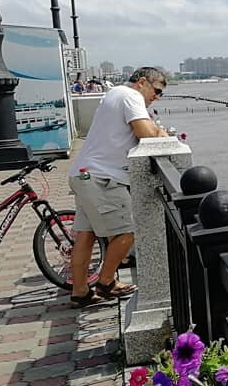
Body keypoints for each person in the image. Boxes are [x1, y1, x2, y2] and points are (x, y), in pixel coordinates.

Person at [68, 67, 170, 305]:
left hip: (84, 174)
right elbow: (146, 133)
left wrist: (156, 129)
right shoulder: (130, 96)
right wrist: (161, 133)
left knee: (86, 235)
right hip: (102, 178)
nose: (157, 97)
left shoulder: (114, 95)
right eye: (156, 91)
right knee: (128, 230)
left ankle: (81, 292)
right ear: (142, 82)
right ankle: (106, 283)